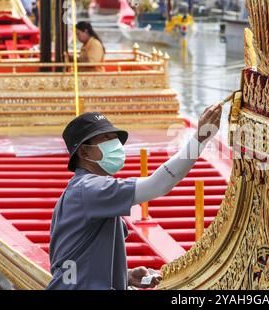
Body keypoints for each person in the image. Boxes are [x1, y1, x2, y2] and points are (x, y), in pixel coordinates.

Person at [46, 103, 223, 290]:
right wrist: (199, 139)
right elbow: (159, 184)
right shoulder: (90, 189)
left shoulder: (83, 190)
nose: (115, 144)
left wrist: (126, 276)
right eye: (106, 138)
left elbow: (83, 256)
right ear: (84, 152)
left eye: (115, 138)